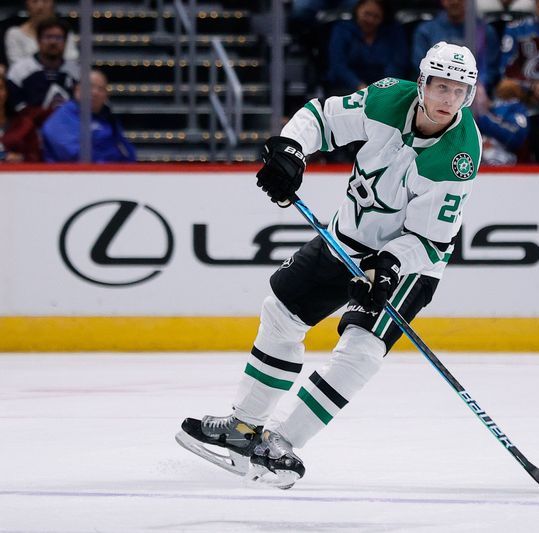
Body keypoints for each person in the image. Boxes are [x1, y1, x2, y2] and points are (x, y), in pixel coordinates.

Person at [176, 42, 483, 489]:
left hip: (408, 261)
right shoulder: (386, 98)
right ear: (422, 84)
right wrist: (290, 150)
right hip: (345, 238)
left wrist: (389, 268)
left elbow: (432, 239)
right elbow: (321, 118)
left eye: (459, 91)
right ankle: (245, 428)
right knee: (280, 312)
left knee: (360, 347)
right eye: (440, 87)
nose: (448, 100)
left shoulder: (459, 156)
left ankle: (282, 442)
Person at [3, 17, 77, 161]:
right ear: (38, 40)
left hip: (67, 140)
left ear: (65, 42)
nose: (53, 42)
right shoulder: (19, 71)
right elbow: (17, 112)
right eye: (48, 37)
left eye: (58, 38)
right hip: (30, 140)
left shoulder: (76, 72)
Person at [40, 69, 136, 162]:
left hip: (112, 174)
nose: (95, 92)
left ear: (106, 95)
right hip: (70, 176)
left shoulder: (108, 119)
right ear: (77, 89)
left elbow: (127, 152)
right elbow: (74, 155)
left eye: (101, 89)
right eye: (90, 86)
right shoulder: (62, 118)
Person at [413, 0, 501, 93]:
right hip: (436, 86)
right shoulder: (426, 30)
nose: (455, 1)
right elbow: (421, 65)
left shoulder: (485, 31)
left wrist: (477, 86)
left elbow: (490, 67)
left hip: (475, 90)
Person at [326, 0, 408, 95]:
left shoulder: (394, 32)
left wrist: (383, 87)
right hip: (346, 89)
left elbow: (397, 64)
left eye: (376, 17)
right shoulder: (342, 30)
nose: (370, 20)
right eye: (367, 14)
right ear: (357, 10)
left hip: (383, 91)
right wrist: (358, 85)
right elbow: (338, 65)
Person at [3, 0, 79, 68]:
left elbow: (72, 61)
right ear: (27, 4)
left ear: (53, 4)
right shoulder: (14, 33)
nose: (40, 6)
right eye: (35, 1)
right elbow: (17, 69)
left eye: (45, 1)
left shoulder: (63, 31)